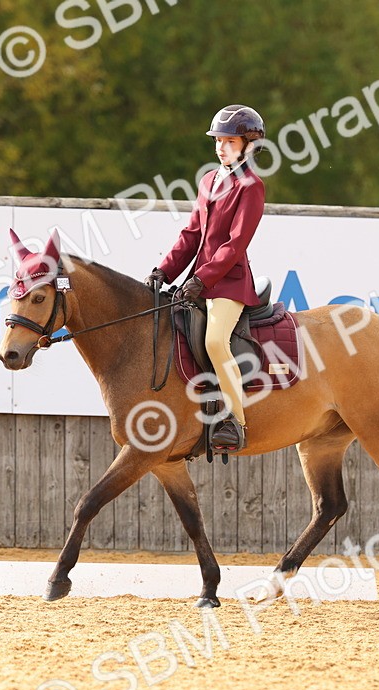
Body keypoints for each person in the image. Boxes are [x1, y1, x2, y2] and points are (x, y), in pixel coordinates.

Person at [149, 104, 266, 453]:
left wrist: (202, 278)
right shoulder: (208, 181)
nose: (221, 146)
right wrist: (165, 270)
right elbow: (191, 234)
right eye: (218, 140)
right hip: (196, 280)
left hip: (228, 284)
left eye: (229, 141)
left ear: (248, 145)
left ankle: (235, 420)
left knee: (216, 341)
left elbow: (235, 244)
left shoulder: (251, 186)